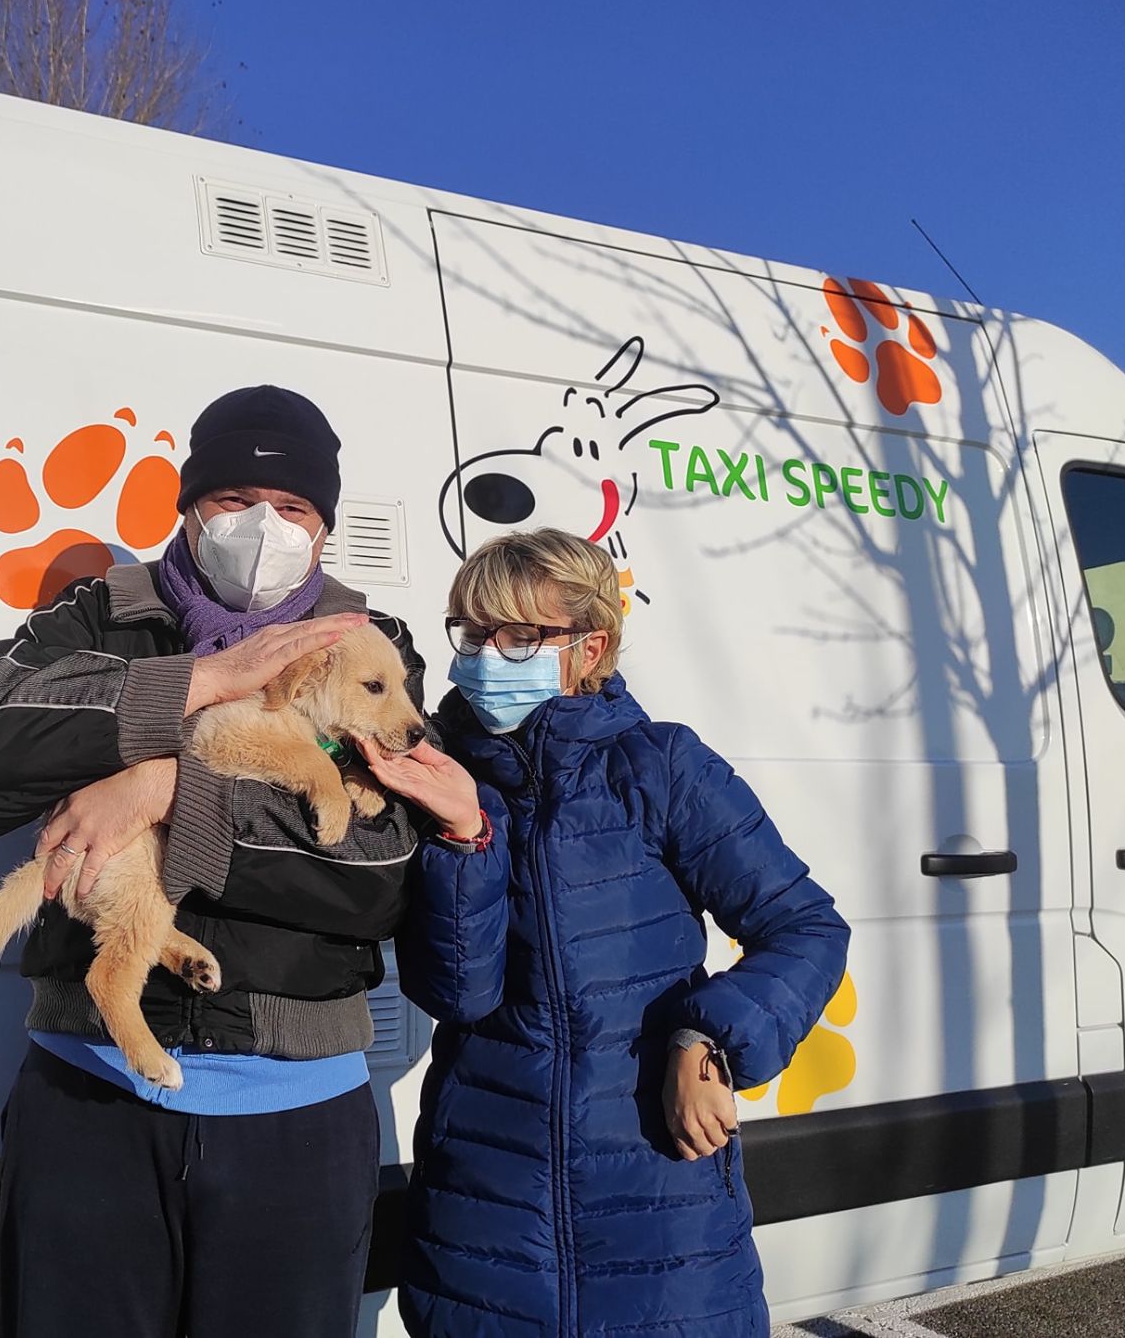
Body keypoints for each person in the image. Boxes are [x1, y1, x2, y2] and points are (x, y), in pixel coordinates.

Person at [0, 385, 426, 1338]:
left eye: (293, 510)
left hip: (297, 1104)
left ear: (324, 530)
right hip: (89, 1090)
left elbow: (382, 864)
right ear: (188, 507)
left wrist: (163, 788)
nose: (262, 526)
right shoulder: (101, 612)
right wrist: (199, 682)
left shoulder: (369, 645)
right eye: (233, 499)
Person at [357, 527, 850, 1338]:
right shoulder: (437, 771)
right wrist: (464, 835)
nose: (485, 653)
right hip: (488, 1208)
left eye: (517, 635)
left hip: (660, 1202)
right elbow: (457, 990)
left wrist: (711, 1038)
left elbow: (804, 926)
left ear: (591, 647)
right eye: (472, 631)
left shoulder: (659, 766)